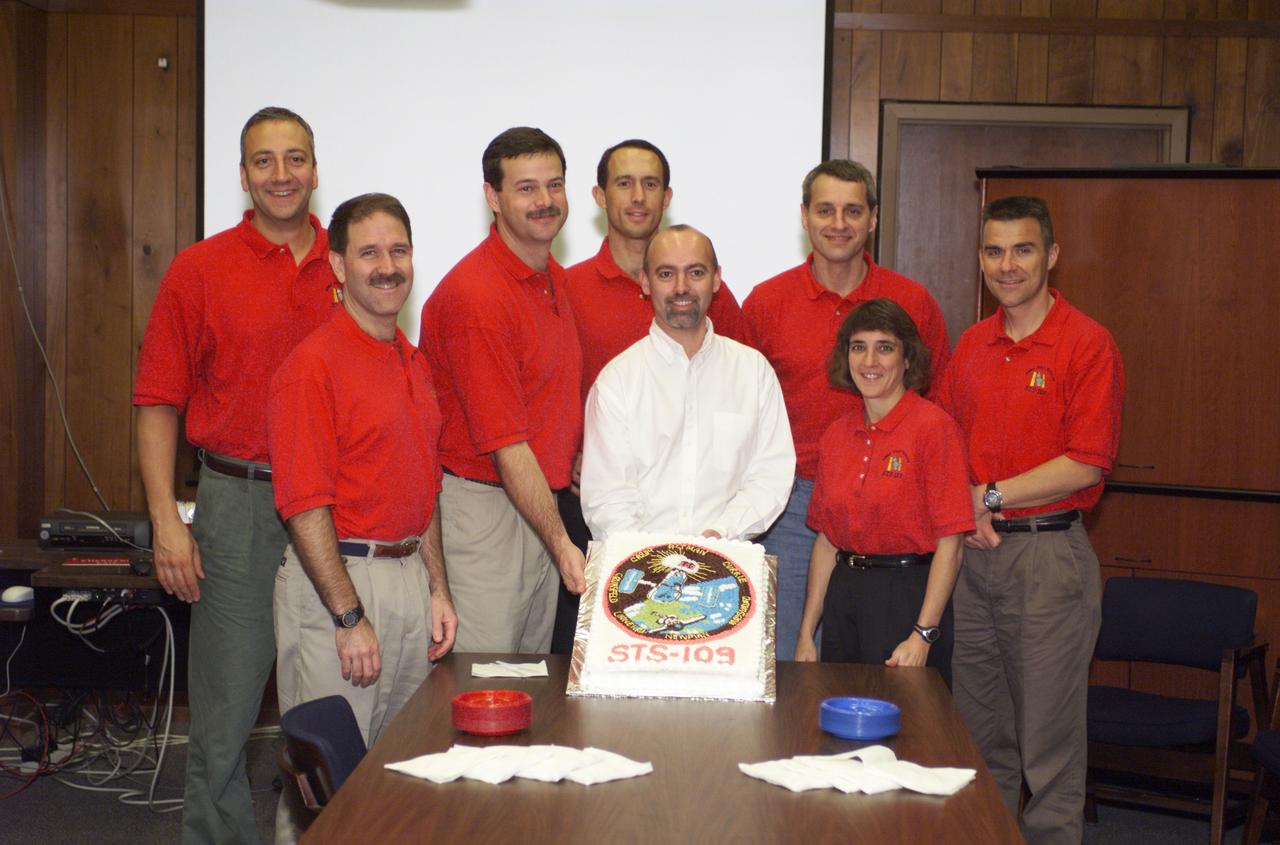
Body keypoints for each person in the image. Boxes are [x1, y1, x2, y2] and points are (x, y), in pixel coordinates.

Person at [133, 107, 336, 845]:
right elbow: (157, 403)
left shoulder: (351, 266)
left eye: (295, 159)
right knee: (222, 718)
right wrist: (166, 523)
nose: (281, 175)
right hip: (237, 505)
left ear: (317, 169)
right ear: (243, 173)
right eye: (263, 161)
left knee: (335, 706)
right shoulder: (201, 268)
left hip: (335, 508)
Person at [268, 193, 457, 843]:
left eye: (398, 251)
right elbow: (304, 505)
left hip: (406, 579)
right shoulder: (312, 365)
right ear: (338, 266)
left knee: (399, 778)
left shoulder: (413, 360)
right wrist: (348, 617)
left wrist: (436, 587)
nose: (387, 266)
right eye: (369, 252)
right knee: (324, 789)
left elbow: (423, 486)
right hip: (338, 588)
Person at [937, 195, 1124, 845]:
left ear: (1051, 255)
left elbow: (1088, 463)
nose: (1007, 265)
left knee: (1049, 749)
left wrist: (985, 496)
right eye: (994, 251)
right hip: (975, 557)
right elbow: (947, 442)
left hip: (1048, 559)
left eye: (1022, 249)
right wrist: (966, 506)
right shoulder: (971, 343)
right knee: (980, 738)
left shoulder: (1086, 342)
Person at [742, 160, 951, 660]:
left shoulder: (912, 301)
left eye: (853, 211)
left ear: (873, 218)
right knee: (794, 656)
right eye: (825, 210)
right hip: (789, 507)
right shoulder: (766, 303)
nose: (839, 223)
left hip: (890, 503)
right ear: (804, 216)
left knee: (877, 664)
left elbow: (940, 400)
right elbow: (740, 409)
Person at [552, 139, 746, 650]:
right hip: (588, 504)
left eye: (651, 183)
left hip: (698, 520)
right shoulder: (565, 289)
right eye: (624, 183)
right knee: (600, 651)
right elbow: (545, 388)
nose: (638, 196)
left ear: (667, 196)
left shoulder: (707, 296)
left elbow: (743, 390)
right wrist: (569, 452)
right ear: (599, 196)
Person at [420, 126, 585, 654]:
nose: (545, 201)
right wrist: (562, 542)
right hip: (487, 516)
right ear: (493, 197)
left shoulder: (552, 277)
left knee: (526, 688)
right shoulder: (477, 296)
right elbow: (506, 442)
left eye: (554, 185)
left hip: (536, 506)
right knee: (480, 683)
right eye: (526, 188)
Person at [793, 299, 971, 687]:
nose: (869, 360)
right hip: (845, 595)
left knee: (908, 734)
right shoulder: (836, 434)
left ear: (908, 358)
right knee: (838, 724)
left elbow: (951, 544)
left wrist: (924, 633)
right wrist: (807, 632)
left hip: (907, 596)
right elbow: (826, 540)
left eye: (884, 347)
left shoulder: (934, 428)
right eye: (859, 347)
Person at [580, 225, 794, 541]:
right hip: (638, 573)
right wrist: (654, 561)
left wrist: (720, 535)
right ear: (645, 281)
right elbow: (607, 497)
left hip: (727, 562)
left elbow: (771, 474)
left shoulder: (754, 373)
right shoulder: (617, 381)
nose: (682, 287)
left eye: (695, 272)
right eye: (666, 274)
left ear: (717, 278)